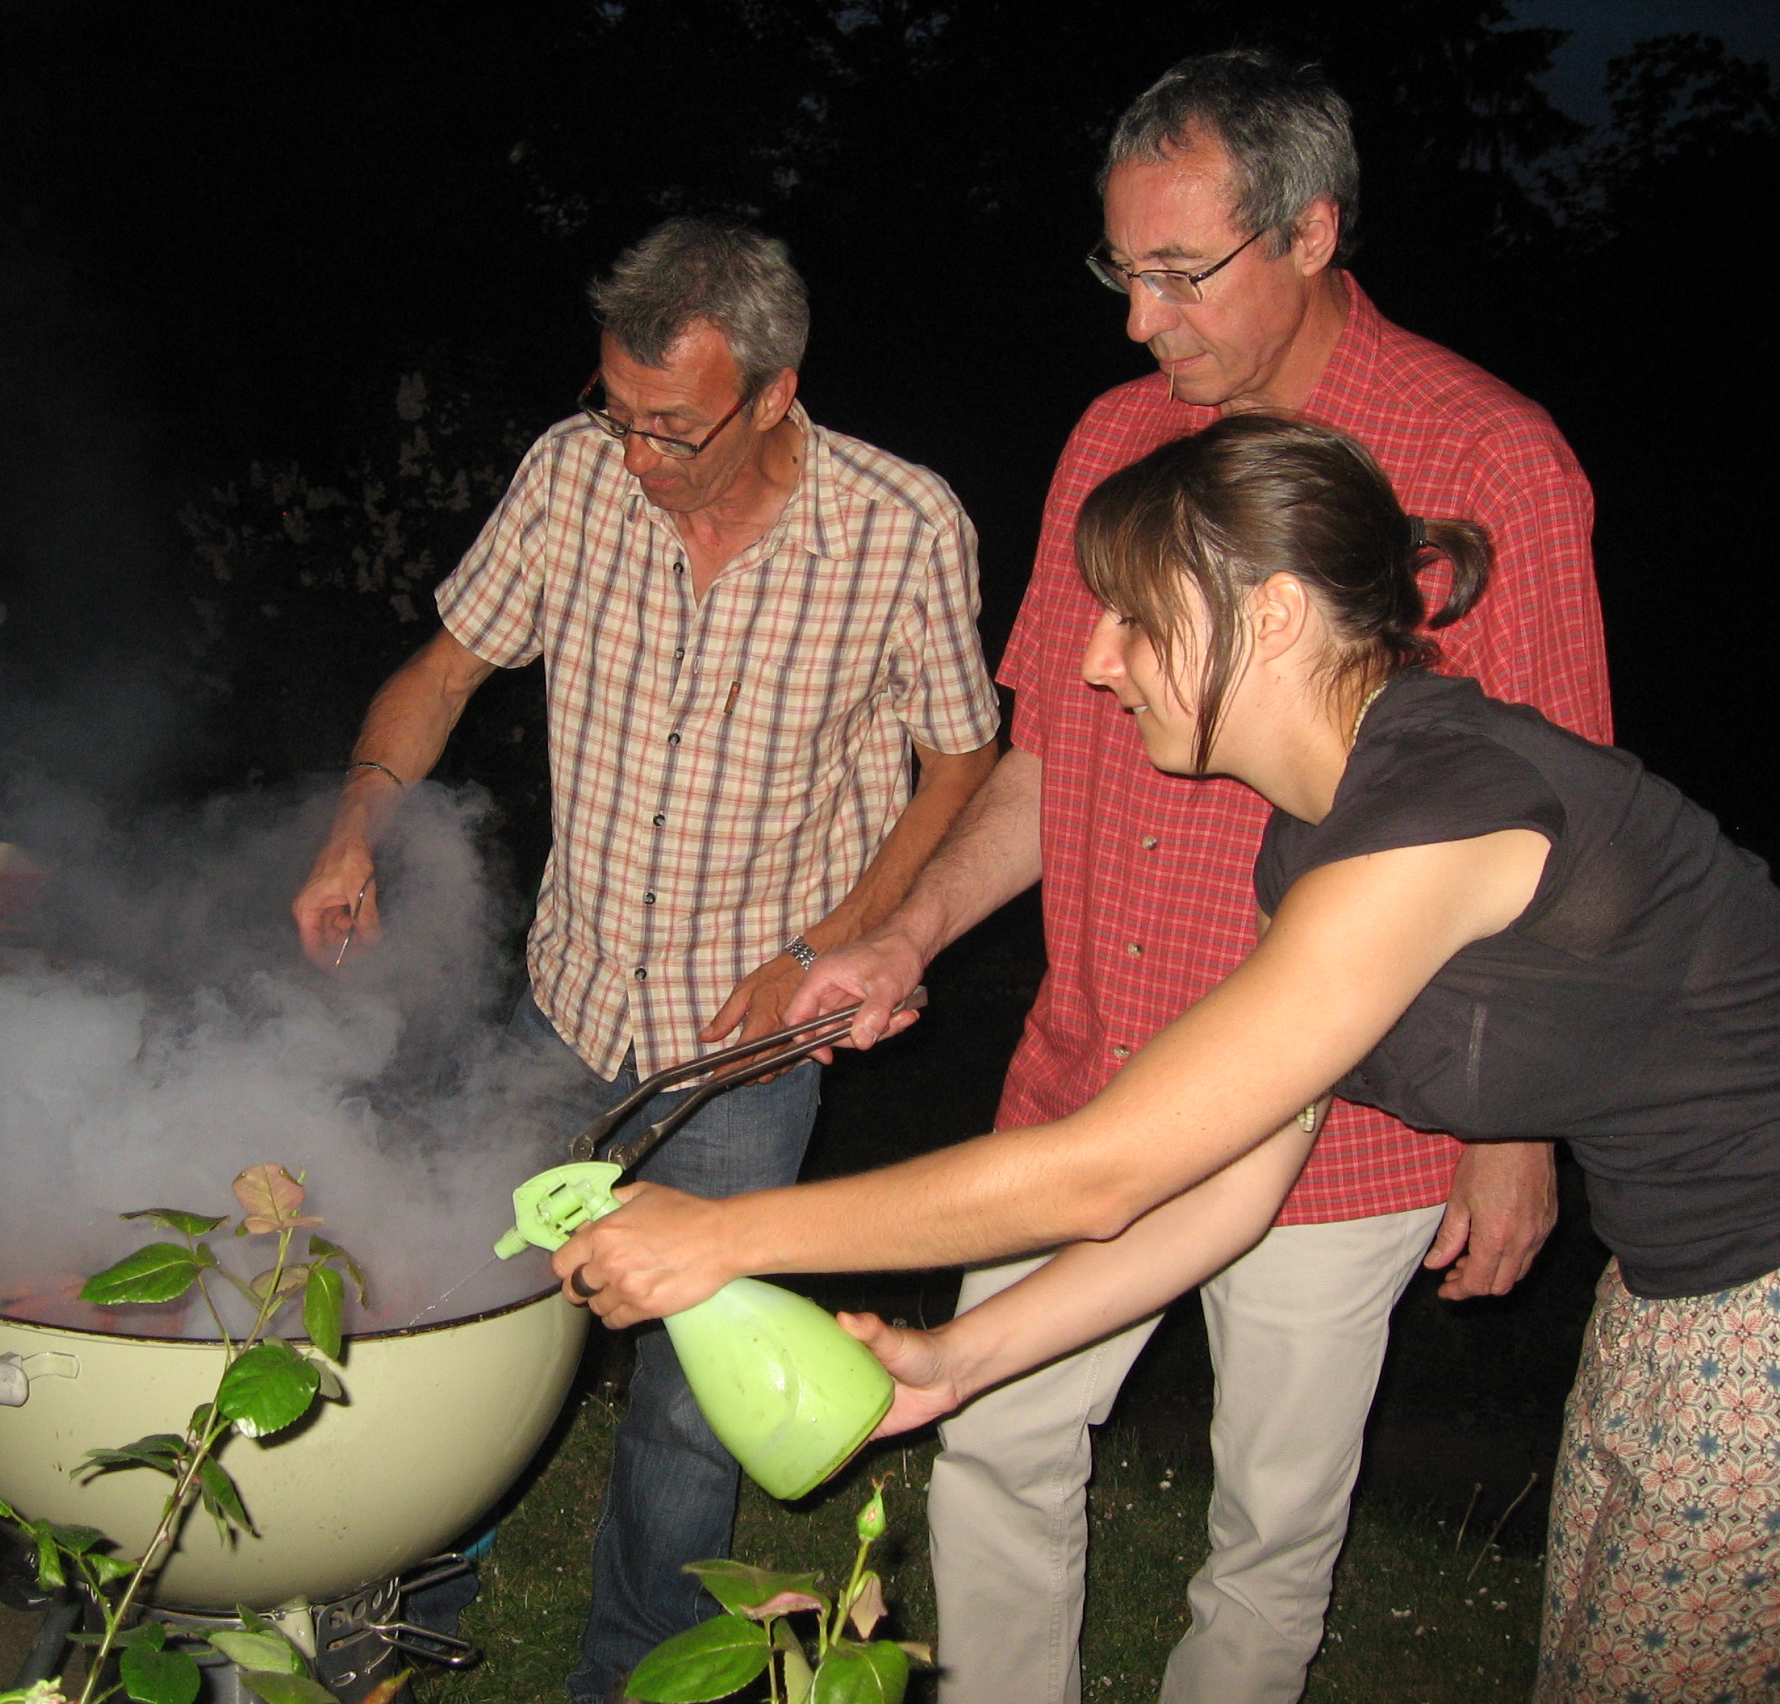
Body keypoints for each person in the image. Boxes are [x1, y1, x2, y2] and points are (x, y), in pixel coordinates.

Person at [554, 412, 1780, 1703]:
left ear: (1279, 615)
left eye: (1135, 619)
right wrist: (963, 1360)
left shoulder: (1436, 812)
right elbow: (1224, 1192)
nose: (1095, 662)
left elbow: (1103, 1172)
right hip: (1676, 1294)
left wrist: (724, 1238)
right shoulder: (1322, 844)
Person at [776, 50, 1609, 1704]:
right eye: (1122, 269)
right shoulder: (1116, 437)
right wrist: (908, 931)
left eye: (1179, 271)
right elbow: (1047, 757)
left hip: (1354, 1112)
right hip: (1091, 1066)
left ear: (1310, 230)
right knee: (993, 1431)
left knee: (1270, 1525)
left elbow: (1560, 838)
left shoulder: (1489, 460)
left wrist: (1513, 1129)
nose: (1140, 321)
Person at [290, 217, 1000, 1702]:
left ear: (777, 394)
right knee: (471, 1306)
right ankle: (406, 1587)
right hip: (569, 997)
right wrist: (356, 825)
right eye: (615, 410)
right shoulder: (571, 475)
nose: (633, 453)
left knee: (683, 1400)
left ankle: (632, 1677)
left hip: (746, 1042)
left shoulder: (902, 526)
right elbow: (447, 670)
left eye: (670, 427)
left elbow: (958, 763)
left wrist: (828, 947)